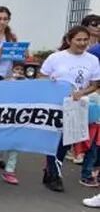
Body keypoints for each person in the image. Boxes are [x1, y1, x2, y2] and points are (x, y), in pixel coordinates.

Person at [41, 25, 100, 192]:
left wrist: (81, 92)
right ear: (69, 40)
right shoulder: (56, 58)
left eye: (85, 40)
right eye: (78, 40)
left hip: (76, 106)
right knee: (53, 139)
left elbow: (95, 84)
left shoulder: (92, 60)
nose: (82, 43)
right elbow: (43, 77)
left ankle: (50, 169)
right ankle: (54, 175)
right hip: (55, 104)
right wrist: (52, 84)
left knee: (66, 142)